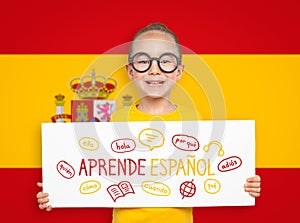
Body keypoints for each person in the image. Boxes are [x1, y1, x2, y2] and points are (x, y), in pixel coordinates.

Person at [37, 23, 261, 222]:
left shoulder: (194, 120)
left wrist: (243, 181)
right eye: (144, 61)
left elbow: (210, 170)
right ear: (131, 71)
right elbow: (91, 169)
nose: (155, 69)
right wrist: (57, 188)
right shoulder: (114, 121)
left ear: (179, 71)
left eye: (166, 61)